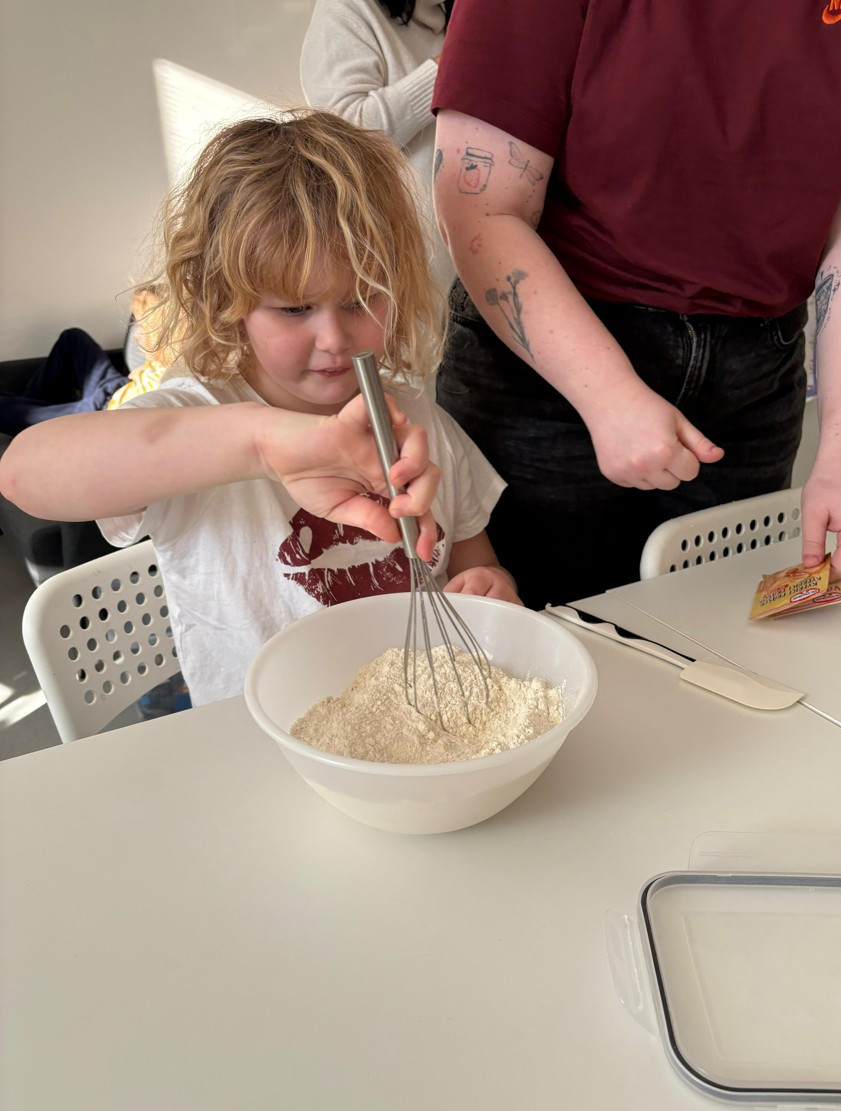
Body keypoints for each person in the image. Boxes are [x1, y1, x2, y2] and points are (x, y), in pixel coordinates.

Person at [0, 110, 519, 707]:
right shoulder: (195, 416)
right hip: (252, 729)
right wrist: (262, 443)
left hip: (421, 714)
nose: (334, 339)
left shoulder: (418, 418)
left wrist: (490, 585)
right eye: (294, 309)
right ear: (228, 302)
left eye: (361, 299)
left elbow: (470, 555)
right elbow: (25, 474)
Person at [431, 1, 841, 609]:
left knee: (714, 633)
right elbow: (481, 207)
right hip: (551, 355)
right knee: (531, 636)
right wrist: (607, 394)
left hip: (756, 364)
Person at [301, 0, 456, 294]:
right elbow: (344, 135)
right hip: (393, 256)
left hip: (458, 248)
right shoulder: (345, 7)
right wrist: (448, 69)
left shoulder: (453, 16)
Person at [0, 287, 174, 436]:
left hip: (103, 412)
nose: (135, 334)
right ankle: (36, 409)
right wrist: (141, 372)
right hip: (116, 387)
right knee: (72, 338)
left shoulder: (176, 378)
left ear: (157, 331)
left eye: (141, 327)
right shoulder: (162, 356)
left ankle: (34, 415)